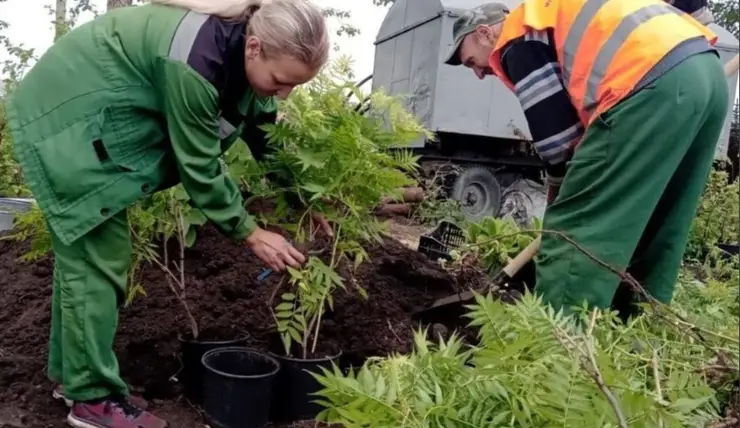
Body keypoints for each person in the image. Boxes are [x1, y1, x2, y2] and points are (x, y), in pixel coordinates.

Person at [4, 0, 331, 426]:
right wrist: (250, 232)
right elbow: (199, 167)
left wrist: (304, 197)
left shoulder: (247, 64)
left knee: (87, 264)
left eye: (295, 86)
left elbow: (266, 136)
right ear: (254, 47)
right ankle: (92, 401)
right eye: (281, 81)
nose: (284, 93)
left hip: (87, 117)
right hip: (66, 122)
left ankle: (75, 379)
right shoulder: (195, 62)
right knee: (98, 261)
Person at [442, 0, 729, 319]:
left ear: (483, 33)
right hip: (706, 74)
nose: (479, 72)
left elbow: (560, 142)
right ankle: (641, 332)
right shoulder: (554, 16)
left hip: (649, 82)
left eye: (470, 61)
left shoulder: (517, 38)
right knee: (659, 222)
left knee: (574, 230)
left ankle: (558, 346)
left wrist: (562, 204)